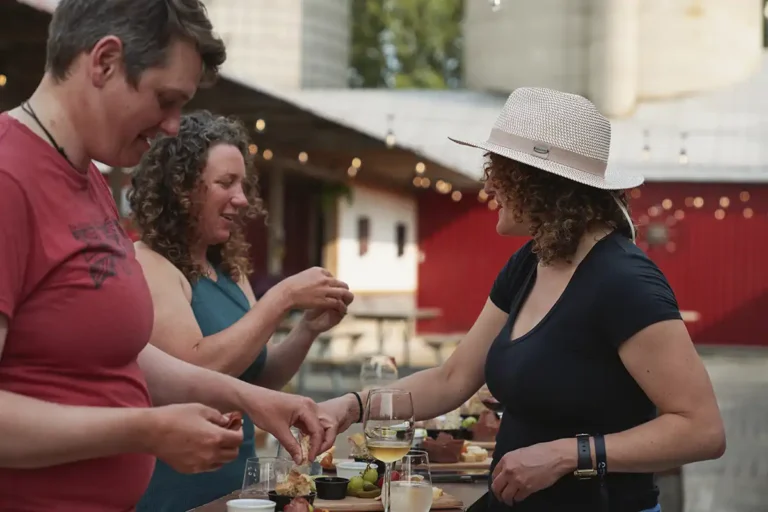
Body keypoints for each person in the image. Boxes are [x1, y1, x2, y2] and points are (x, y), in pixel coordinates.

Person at [318, 88, 726, 512]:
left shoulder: (625, 280)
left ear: (542, 184)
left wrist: (568, 455)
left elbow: (702, 430)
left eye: (500, 170)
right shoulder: (531, 262)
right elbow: (452, 378)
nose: (488, 184)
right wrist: (351, 407)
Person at [0, 1, 326, 511]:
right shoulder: (9, 178)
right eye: (166, 99)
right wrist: (147, 428)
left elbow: (123, 351)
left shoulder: (89, 179)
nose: (174, 126)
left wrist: (249, 398)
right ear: (104, 62)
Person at [128, 110, 354, 511]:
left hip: (238, 485)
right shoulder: (149, 263)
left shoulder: (228, 271)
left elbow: (256, 377)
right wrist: (281, 298)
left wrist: (306, 330)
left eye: (242, 183)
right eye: (225, 183)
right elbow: (197, 371)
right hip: (177, 488)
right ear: (181, 189)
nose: (242, 198)